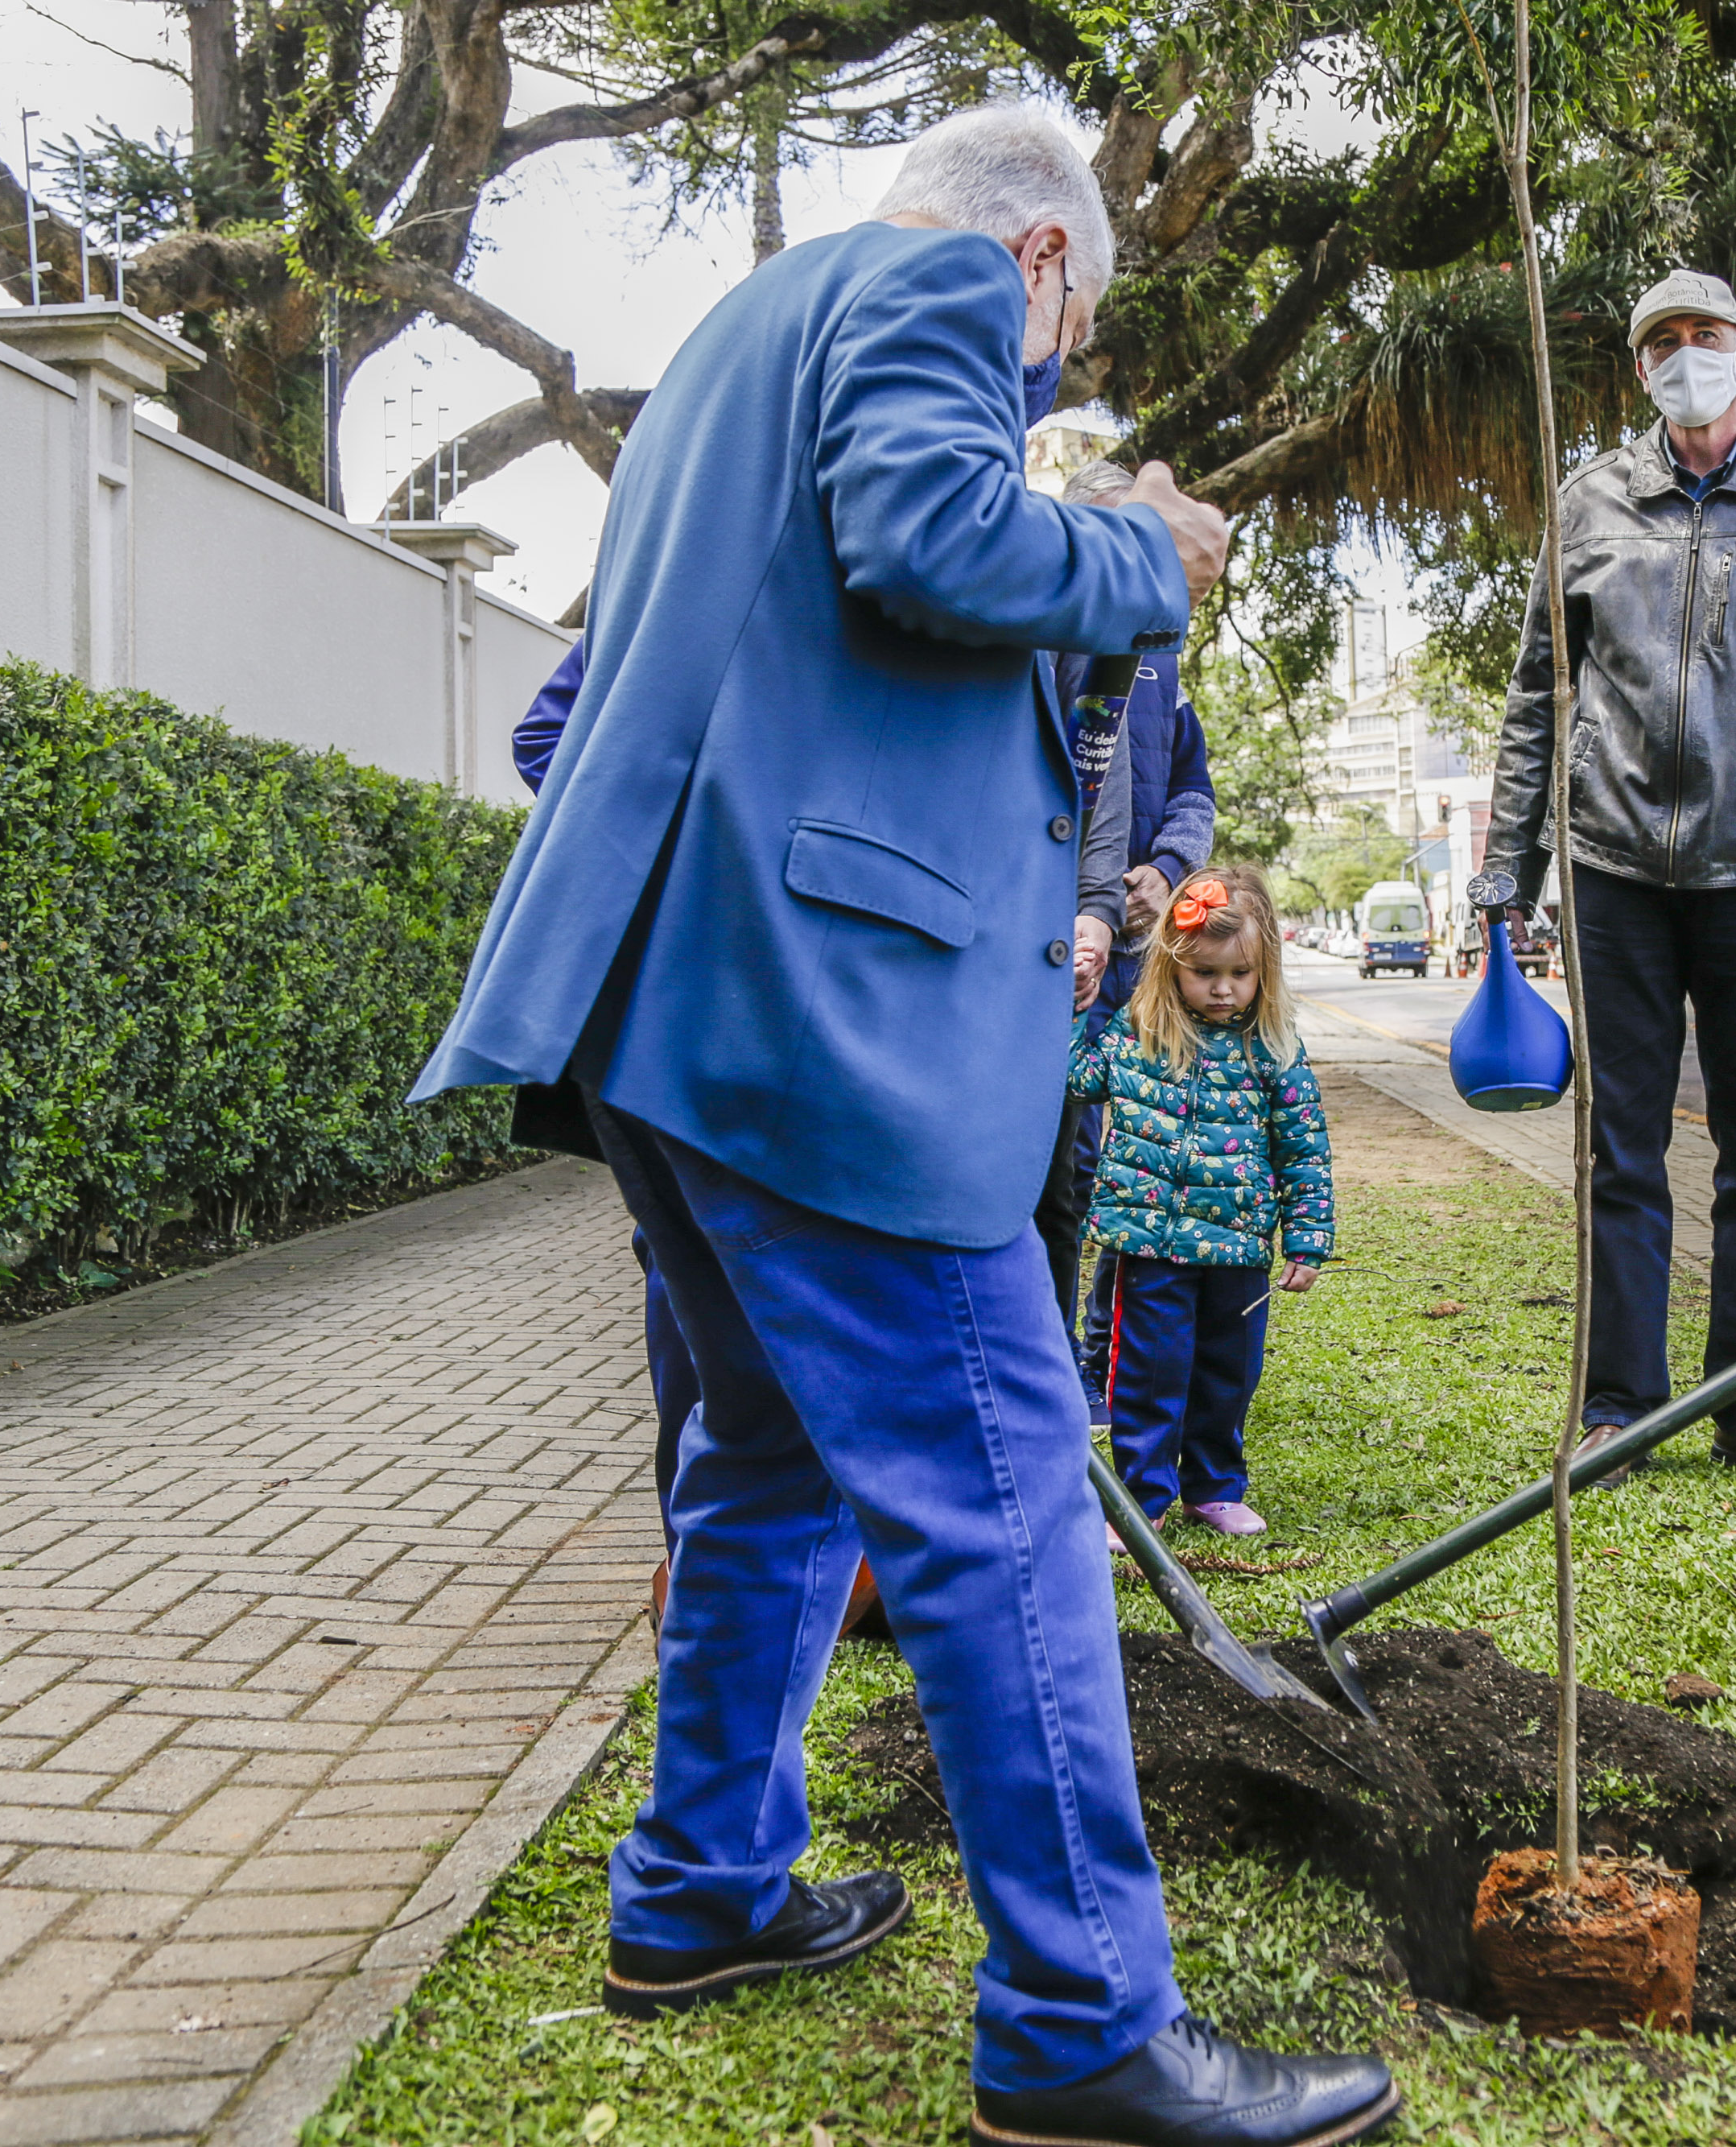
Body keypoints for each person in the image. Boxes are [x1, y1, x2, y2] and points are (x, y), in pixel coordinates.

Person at [409, 105, 1396, 2147]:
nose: (1044, 366)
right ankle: (1082, 2025)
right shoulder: (940, 278)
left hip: (668, 1006)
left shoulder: (731, 342)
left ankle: (697, 1898)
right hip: (809, 1011)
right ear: (1043, 264)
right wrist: (1151, 550)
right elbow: (927, 540)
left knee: (763, 1458)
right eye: (1070, 331)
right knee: (1004, 1490)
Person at [1478, 267, 1736, 1493]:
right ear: (1639, 368)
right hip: (1614, 873)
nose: (1687, 356)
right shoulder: (1591, 499)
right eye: (1665, 342)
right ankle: (1618, 1403)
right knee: (1621, 1145)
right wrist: (1509, 863)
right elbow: (1543, 687)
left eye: (1708, 335)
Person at [509, 645, 888, 1644]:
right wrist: (720, 854)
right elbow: (544, 738)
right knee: (690, 1288)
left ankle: (829, 1554)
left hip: (826, 1007)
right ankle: (698, 1558)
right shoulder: (685, 571)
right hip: (690, 1006)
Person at [1033, 460, 1221, 1402]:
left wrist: (1165, 870)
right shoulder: (1045, 628)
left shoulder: (1161, 656)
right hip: (1058, 937)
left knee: (1138, 1159)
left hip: (1137, 949)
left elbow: (1192, 788)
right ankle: (1057, 1366)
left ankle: (1110, 1368)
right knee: (1062, 1165)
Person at [1070, 866, 1332, 1535]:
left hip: (1240, 1246)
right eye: (1206, 973)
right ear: (1171, 965)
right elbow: (1075, 1080)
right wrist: (1071, 1012)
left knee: (1228, 1372)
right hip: (1150, 1243)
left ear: (1264, 970)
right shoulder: (1138, 1032)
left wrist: (1306, 1235)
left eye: (1240, 974)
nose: (1223, 989)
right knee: (1148, 1375)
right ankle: (1140, 1495)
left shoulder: (1272, 1048)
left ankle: (1214, 1485)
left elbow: (1303, 1145)